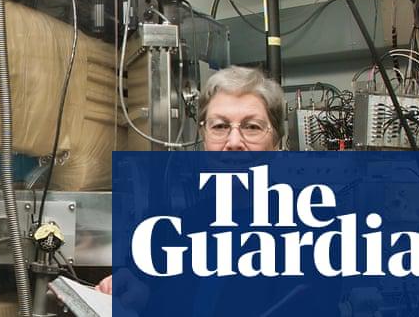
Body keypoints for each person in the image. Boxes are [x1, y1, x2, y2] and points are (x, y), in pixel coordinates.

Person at [96, 66, 284, 295]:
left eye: (252, 127)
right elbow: (153, 290)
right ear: (204, 141)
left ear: (276, 144)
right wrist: (138, 292)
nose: (234, 142)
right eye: (220, 126)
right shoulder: (179, 228)